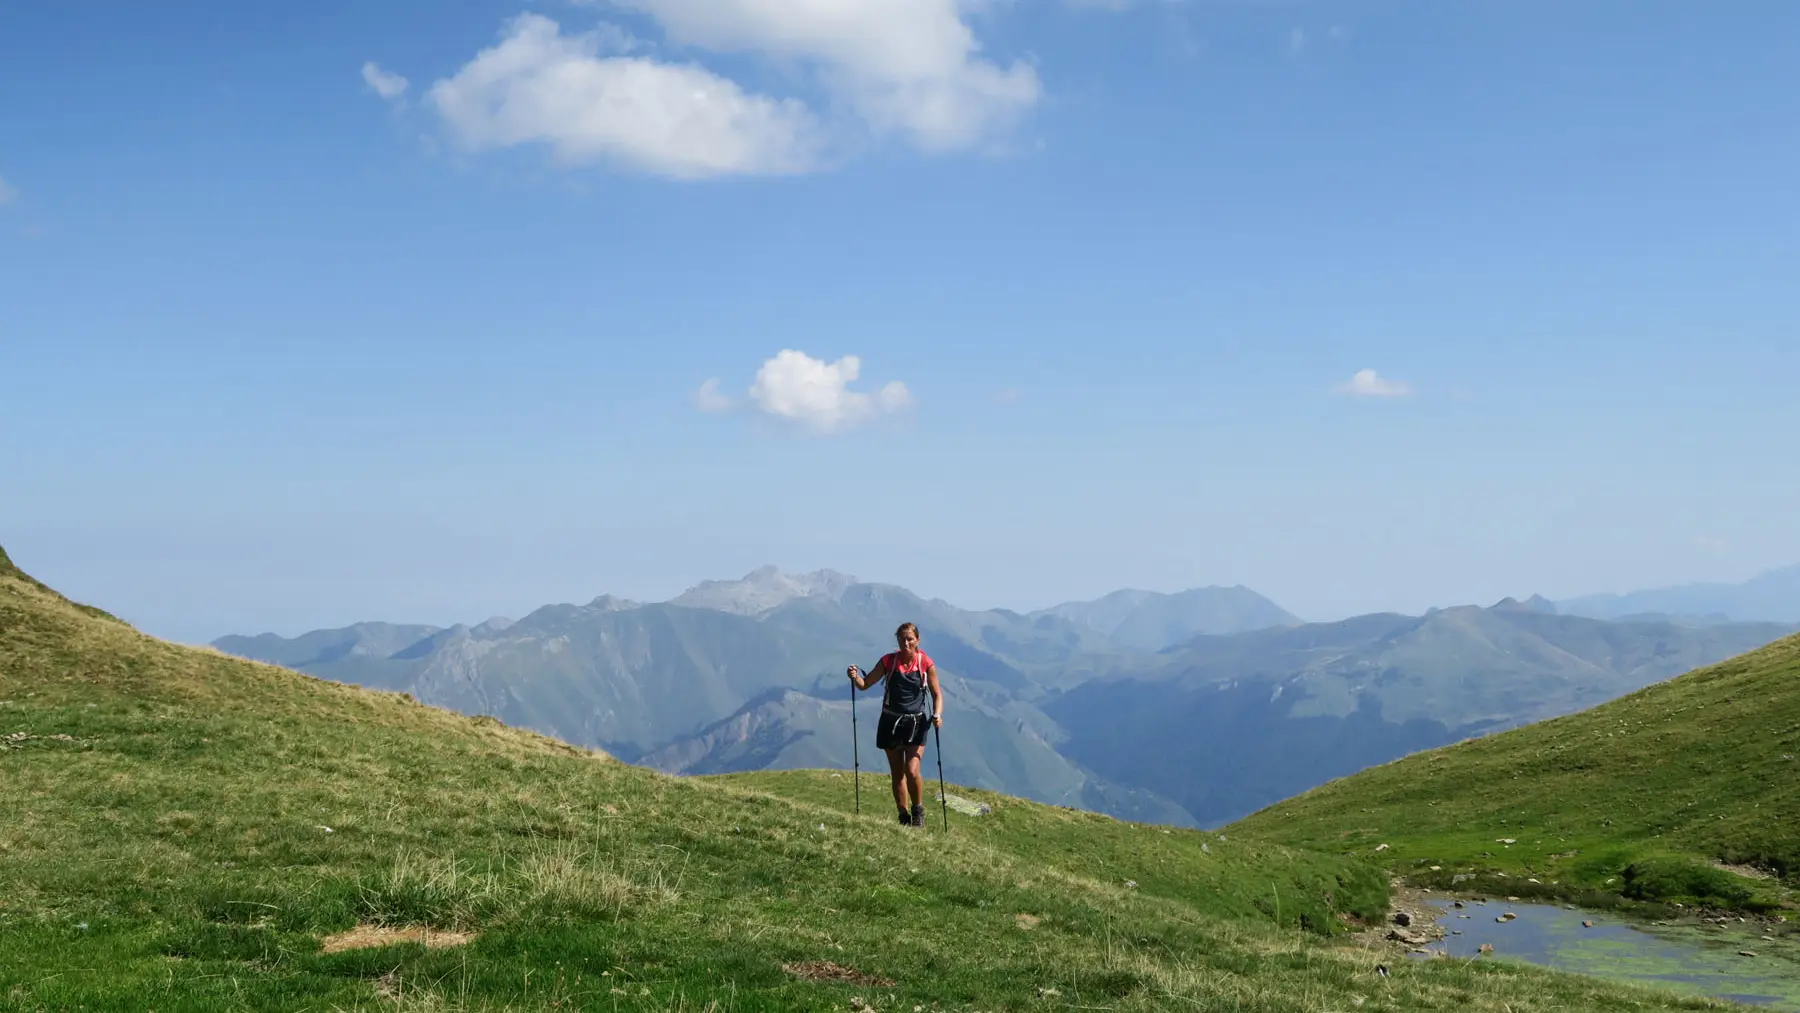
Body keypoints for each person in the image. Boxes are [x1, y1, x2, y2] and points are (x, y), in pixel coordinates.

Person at [847, 622, 943, 827]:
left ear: (917, 640)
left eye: (909, 639)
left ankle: (918, 812)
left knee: (912, 770)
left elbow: (937, 694)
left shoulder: (926, 663)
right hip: (891, 722)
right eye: (901, 639)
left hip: (916, 724)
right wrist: (855, 677)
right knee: (898, 773)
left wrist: (937, 714)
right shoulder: (888, 661)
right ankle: (903, 816)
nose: (905, 643)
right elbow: (865, 684)